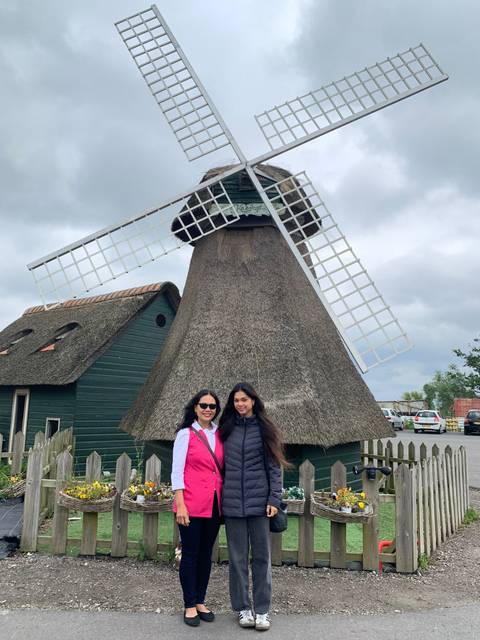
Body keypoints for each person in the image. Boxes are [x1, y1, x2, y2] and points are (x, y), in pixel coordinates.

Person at [219, 382, 290, 631]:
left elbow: (274, 468)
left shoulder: (265, 429)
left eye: (244, 399)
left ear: (253, 401)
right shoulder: (225, 430)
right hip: (233, 505)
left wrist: (273, 499)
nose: (240, 404)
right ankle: (243, 608)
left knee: (261, 558)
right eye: (236, 400)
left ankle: (262, 610)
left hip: (260, 504)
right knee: (237, 559)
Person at [171, 389, 224, 627]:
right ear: (195, 407)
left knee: (206, 554)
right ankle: (189, 604)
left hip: (214, 503)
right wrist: (180, 504)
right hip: (191, 503)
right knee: (191, 554)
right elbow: (177, 471)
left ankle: (201, 600)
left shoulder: (219, 434)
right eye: (203, 405)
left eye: (212, 406)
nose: (207, 409)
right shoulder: (186, 434)